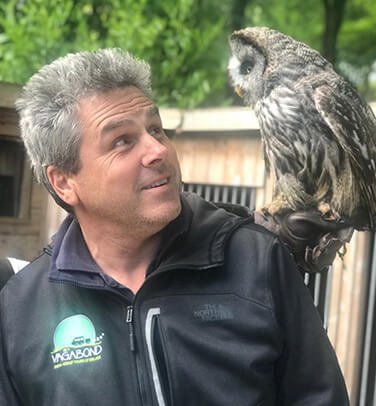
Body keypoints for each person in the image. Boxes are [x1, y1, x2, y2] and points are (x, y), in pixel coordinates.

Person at [0, 48, 349, 405]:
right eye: (122, 141)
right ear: (63, 182)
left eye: (156, 129)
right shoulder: (20, 309)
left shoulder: (256, 260)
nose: (158, 149)